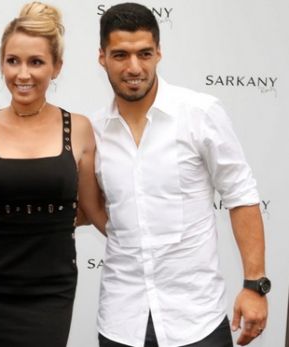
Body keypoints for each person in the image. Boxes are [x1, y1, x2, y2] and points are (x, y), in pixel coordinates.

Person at [92, 3, 269, 346]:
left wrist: (254, 285)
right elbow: (92, 207)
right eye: (120, 55)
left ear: (159, 53)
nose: (134, 67)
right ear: (102, 57)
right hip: (120, 321)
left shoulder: (200, 113)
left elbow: (241, 195)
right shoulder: (94, 130)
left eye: (144, 54)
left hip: (195, 320)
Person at [0, 2, 104, 346]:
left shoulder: (79, 129)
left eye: (36, 62)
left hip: (51, 289)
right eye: (13, 61)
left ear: (56, 67)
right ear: (2, 64)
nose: (22, 74)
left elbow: (92, 210)